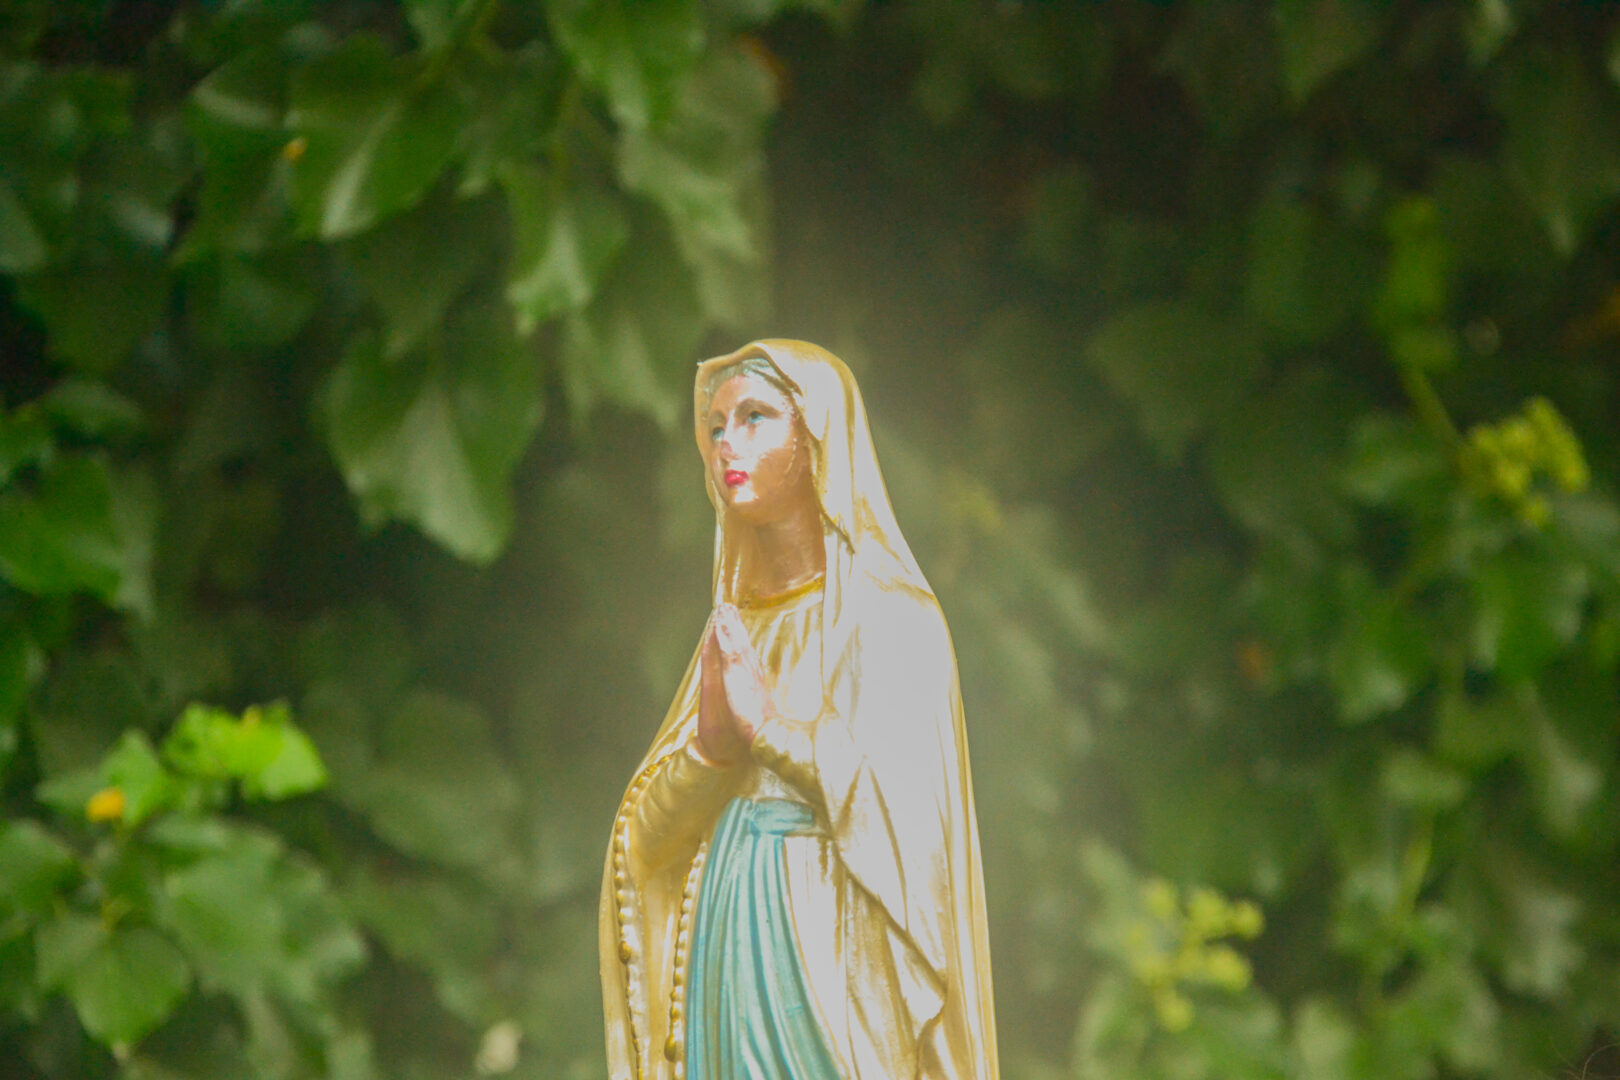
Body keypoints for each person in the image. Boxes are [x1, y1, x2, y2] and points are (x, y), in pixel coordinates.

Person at [598, 340, 999, 1080]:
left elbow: (908, 821)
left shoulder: (892, 620)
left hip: (833, 945)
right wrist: (710, 754)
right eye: (716, 427)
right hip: (726, 931)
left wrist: (772, 734)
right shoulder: (733, 631)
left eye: (755, 417)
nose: (728, 444)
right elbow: (648, 845)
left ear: (818, 438)